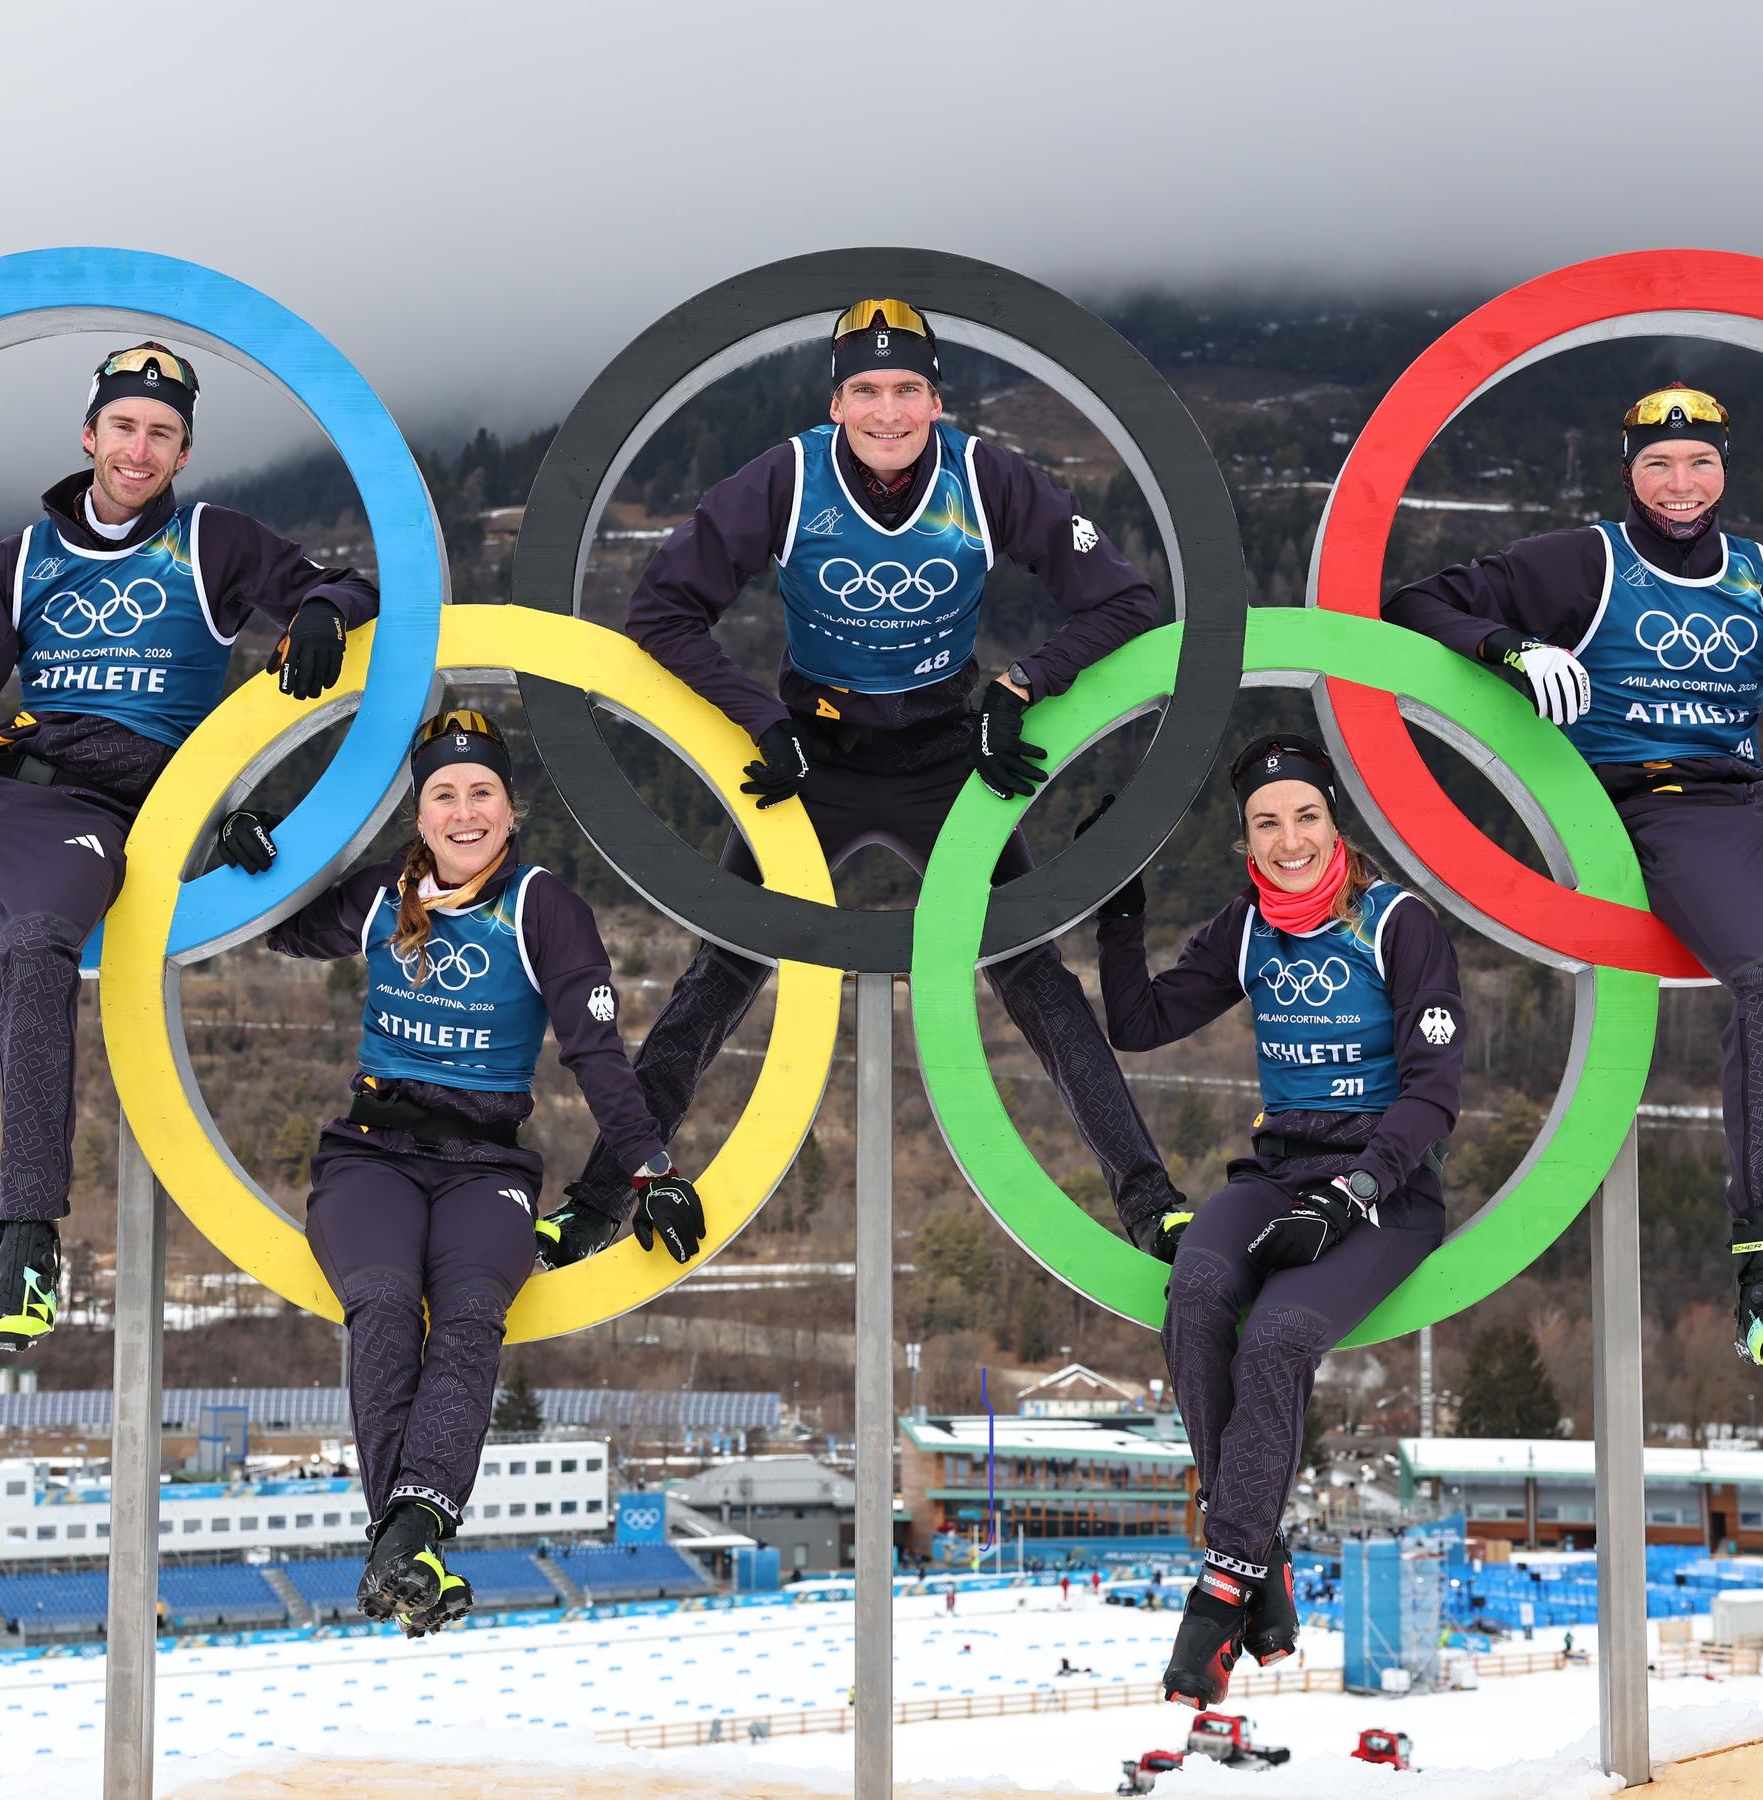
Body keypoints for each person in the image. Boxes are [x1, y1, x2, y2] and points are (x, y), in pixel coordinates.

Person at [551, 297, 1185, 1254]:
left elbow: (1126, 599)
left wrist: (1023, 685)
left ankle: (1151, 1206)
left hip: (944, 754)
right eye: (865, 391)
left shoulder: (985, 474)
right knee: (720, 972)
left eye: (906, 390)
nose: (887, 411)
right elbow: (662, 613)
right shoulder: (788, 478)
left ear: (937, 399)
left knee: (1033, 972)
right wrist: (765, 718)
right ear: (835, 400)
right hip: (819, 757)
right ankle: (594, 1207)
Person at [226, 709, 704, 1632]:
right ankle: (409, 1538)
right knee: (381, 1300)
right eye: (444, 793)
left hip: (486, 1161)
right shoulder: (377, 901)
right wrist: (254, 843)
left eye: (481, 789)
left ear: (511, 807)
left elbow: (597, 1053)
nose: (464, 810)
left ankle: (405, 1536)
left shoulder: (541, 907)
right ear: (420, 816)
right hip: (374, 1152)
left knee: (475, 1313)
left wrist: (652, 1171)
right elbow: (273, 925)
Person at [0, 342, 378, 1353]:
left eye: (161, 432)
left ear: (184, 451)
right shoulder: (18, 561)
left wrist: (322, 612)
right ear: (88, 434)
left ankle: (25, 1236)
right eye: (123, 426)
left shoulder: (212, 542)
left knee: (36, 950)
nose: (138, 447)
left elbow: (351, 587)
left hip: (99, 808)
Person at [1383, 382, 1763, 1367]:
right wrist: (1513, 646)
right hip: (1659, 803)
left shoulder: (1755, 574)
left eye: (1701, 463)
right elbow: (1415, 604)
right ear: (1630, 473)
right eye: (1659, 465)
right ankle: (1759, 1253)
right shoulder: (1589, 560)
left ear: (1727, 468)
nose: (1681, 483)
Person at [1093, 733, 1465, 1707]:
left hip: (1387, 1192)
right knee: (1199, 1295)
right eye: (1267, 823)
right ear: (1246, 838)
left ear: (1334, 817)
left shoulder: (1399, 924)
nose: (1289, 839)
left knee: (1275, 1345)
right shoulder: (1249, 927)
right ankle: (1261, 1558)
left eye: (1305, 816)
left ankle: (1224, 1592)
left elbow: (1434, 1096)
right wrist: (1118, 907)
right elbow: (1138, 1022)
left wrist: (1356, 1194)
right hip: (1279, 1171)